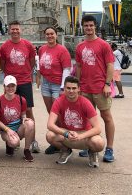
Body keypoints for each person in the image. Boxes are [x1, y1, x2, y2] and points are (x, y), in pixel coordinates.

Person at [75, 15, 115, 162]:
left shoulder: (103, 45)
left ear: (95, 26)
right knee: (87, 120)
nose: (89, 28)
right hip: (85, 88)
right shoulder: (80, 46)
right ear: (83, 27)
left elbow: (110, 65)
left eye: (91, 25)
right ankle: (89, 145)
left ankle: (109, 148)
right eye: (86, 26)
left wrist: (107, 84)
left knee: (106, 117)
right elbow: (78, 66)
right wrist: (78, 85)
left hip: (100, 87)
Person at [46, 76, 105, 168]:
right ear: (64, 89)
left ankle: (92, 152)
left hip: (83, 135)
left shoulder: (85, 103)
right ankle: (66, 150)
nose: (71, 91)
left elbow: (98, 128)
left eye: (74, 88)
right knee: (50, 135)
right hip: (67, 133)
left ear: (79, 89)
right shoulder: (59, 101)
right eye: (68, 88)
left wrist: (80, 136)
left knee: (99, 143)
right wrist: (65, 133)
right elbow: (50, 125)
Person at [0, 20, 40, 153]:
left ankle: (33, 140)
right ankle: (11, 138)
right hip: (11, 83)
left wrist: (26, 72)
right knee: (10, 110)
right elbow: (2, 63)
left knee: (28, 110)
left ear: (20, 30)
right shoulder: (5, 46)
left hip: (24, 82)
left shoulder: (28, 45)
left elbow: (32, 61)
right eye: (12, 29)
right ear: (9, 30)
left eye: (17, 29)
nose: (15, 31)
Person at [36, 26, 72, 154]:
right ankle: (56, 142)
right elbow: (39, 64)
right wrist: (38, 77)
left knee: (59, 114)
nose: (50, 36)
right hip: (46, 83)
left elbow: (67, 70)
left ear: (56, 35)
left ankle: (64, 141)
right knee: (51, 113)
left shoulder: (62, 50)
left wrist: (63, 87)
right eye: (47, 34)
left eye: (52, 34)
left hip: (58, 85)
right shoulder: (42, 49)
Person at [0, 75, 35, 161]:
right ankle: (9, 144)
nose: (10, 88)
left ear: (16, 86)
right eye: (8, 86)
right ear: (4, 87)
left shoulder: (21, 99)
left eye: (13, 86)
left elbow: (23, 114)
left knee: (30, 123)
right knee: (14, 143)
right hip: (5, 129)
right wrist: (7, 130)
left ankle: (26, 150)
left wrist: (24, 118)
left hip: (18, 128)